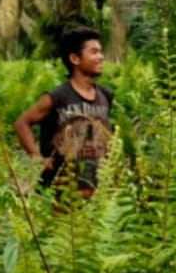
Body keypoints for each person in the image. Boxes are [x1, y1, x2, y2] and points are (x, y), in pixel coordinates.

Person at [13, 27, 115, 198]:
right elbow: (22, 123)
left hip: (97, 190)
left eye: (101, 52)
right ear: (75, 58)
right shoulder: (58, 97)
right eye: (94, 52)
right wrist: (37, 157)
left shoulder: (105, 96)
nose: (101, 57)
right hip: (61, 190)